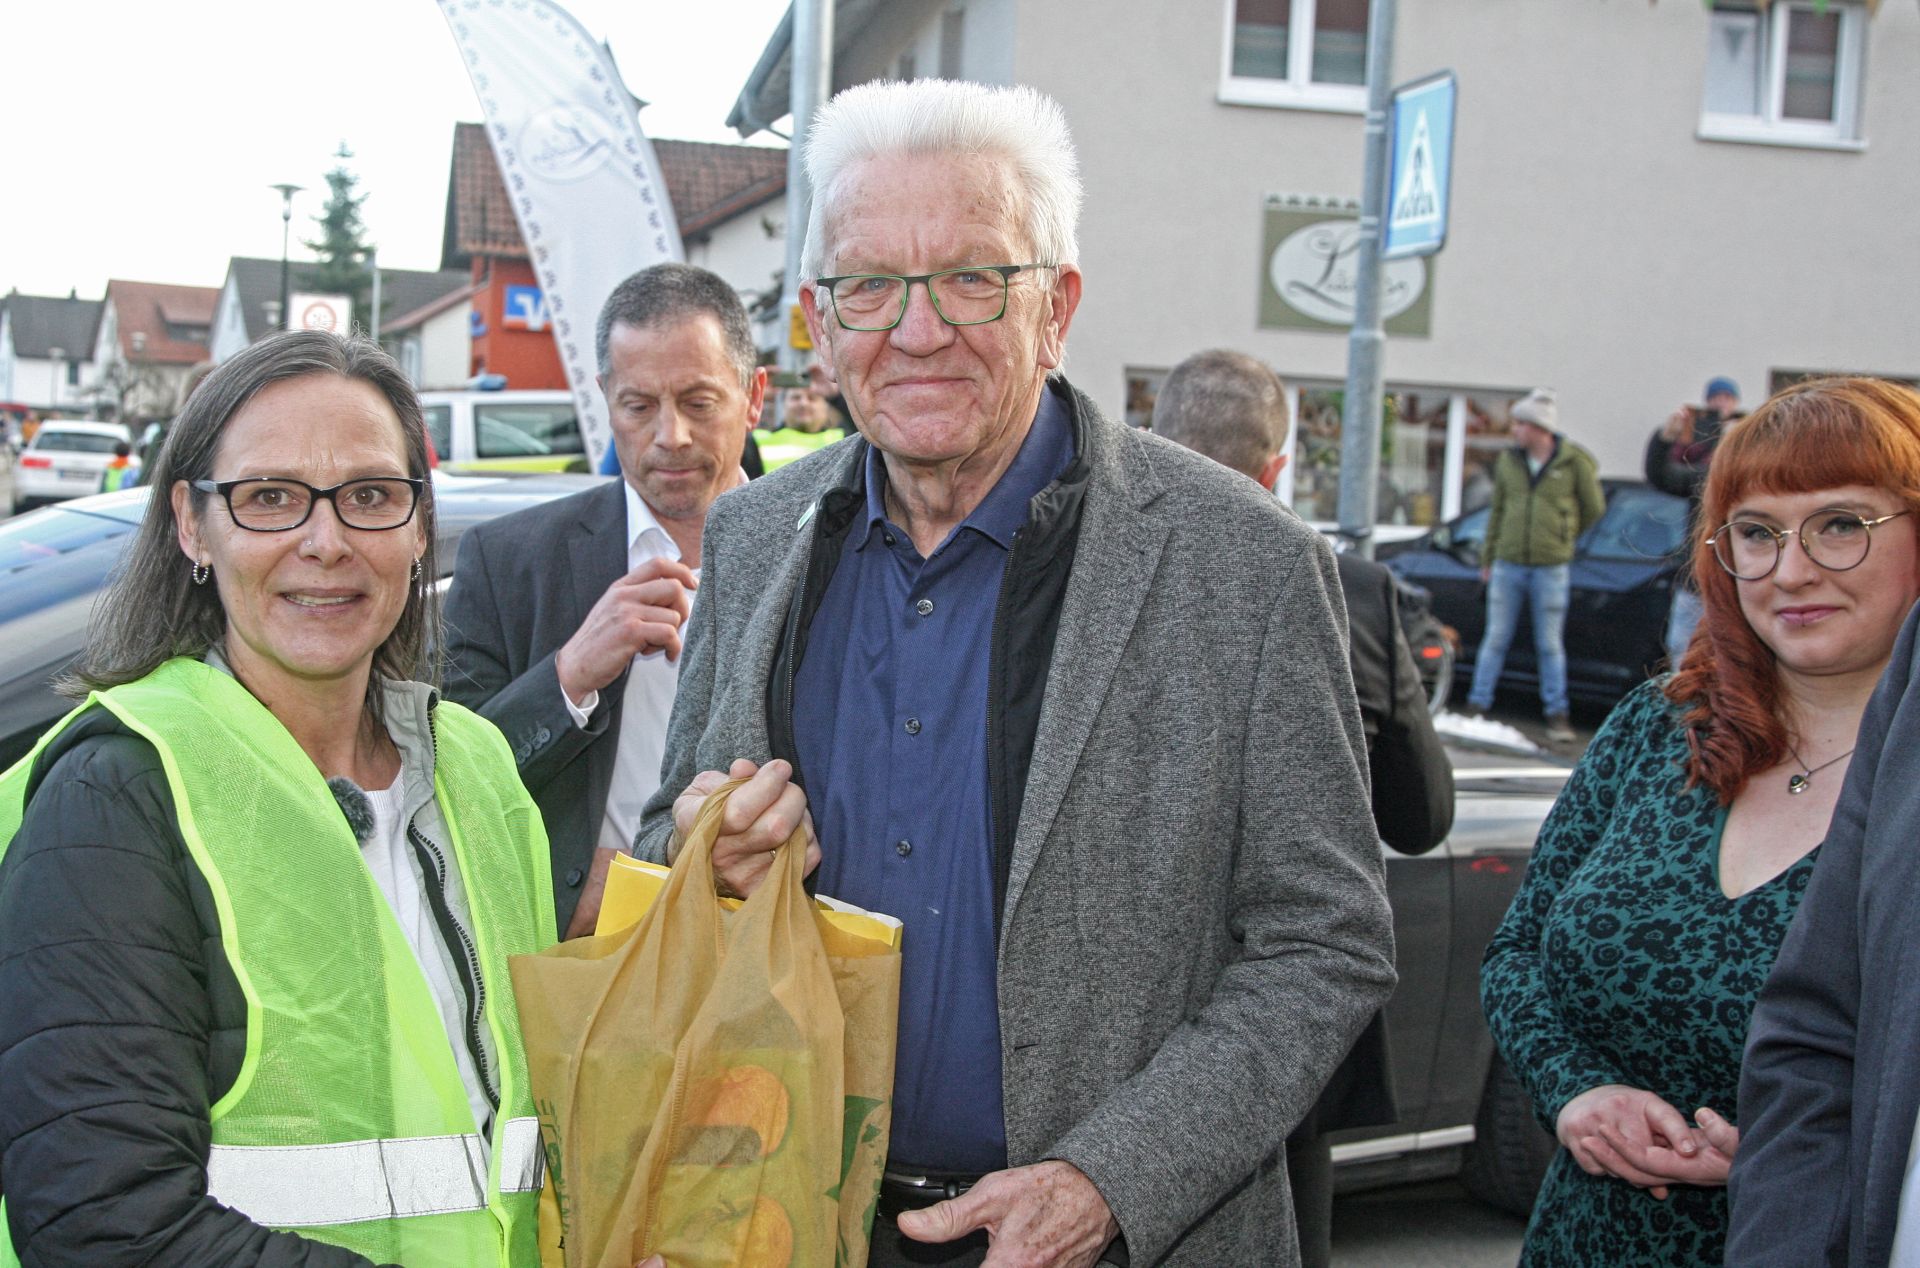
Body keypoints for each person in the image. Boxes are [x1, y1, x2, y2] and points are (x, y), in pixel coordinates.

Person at [633, 79, 1395, 1268]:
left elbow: (1326, 938)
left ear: (1057, 307)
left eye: (972, 278)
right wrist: (702, 845)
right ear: (819, 321)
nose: (917, 330)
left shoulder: (1244, 564)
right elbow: (661, 836)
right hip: (791, 1222)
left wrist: (1110, 1179)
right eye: (870, 285)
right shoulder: (754, 533)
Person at [0, 331, 555, 1265]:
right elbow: (104, 1220)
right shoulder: (123, 793)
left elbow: (533, 1131)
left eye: (370, 496)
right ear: (192, 526)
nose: (326, 542)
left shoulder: (478, 769)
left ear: (420, 527)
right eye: (269, 498)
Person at [1479, 376, 1920, 1266]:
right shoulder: (1660, 727)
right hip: (1584, 1242)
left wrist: (1792, 1159)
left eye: (1840, 524)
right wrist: (1576, 1092)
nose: (1791, 571)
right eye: (1756, 532)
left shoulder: (1906, 786)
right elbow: (1517, 953)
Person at [1149, 347, 1453, 1268]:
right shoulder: (1352, 590)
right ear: (1277, 467)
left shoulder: (1093, 582)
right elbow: (1420, 817)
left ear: (1151, 442)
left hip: (1133, 1023)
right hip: (1292, 1027)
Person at [442, 262, 765, 939]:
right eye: (639, 406)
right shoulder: (507, 561)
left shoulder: (826, 542)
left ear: (753, 396)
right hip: (593, 950)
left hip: (780, 941)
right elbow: (446, 781)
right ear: (605, 400)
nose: (670, 435)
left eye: (698, 403)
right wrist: (568, 679)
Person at [1464, 387, 1605, 744]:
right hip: (1508, 562)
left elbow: (1593, 508)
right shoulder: (1509, 462)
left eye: (1520, 424)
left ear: (1538, 428)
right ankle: (1477, 706)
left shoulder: (1573, 462)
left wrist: (1563, 536)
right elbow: (1498, 511)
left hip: (1550, 567)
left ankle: (1557, 714)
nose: (1514, 430)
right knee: (1496, 637)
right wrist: (1488, 558)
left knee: (1549, 644)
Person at [1646, 376, 1743, 665]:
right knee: (1683, 651)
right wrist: (1665, 439)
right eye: (1716, 397)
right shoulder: (1703, 470)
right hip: (1697, 580)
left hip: (1737, 583)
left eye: (1727, 397)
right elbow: (1664, 475)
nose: (1721, 404)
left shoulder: (1753, 472)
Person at [757, 381, 847, 471]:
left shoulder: (843, 438)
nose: (803, 404)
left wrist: (836, 397)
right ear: (783, 404)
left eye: (811, 398)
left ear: (825, 406)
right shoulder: (759, 440)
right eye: (796, 398)